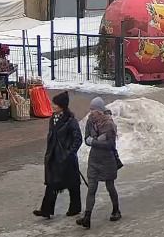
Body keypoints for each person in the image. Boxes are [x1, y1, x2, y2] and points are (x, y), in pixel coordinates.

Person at [34, 91, 81, 220]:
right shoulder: (53, 118)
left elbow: (78, 139)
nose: (52, 105)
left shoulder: (70, 121)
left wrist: (70, 153)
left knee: (73, 184)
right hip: (54, 157)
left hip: (66, 158)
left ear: (61, 106)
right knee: (52, 183)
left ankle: (75, 208)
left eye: (54, 104)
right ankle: (46, 210)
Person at [77, 97, 120, 229]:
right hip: (94, 159)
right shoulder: (90, 121)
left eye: (93, 110)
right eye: (90, 109)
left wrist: (94, 141)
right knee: (91, 188)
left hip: (107, 159)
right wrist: (96, 140)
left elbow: (110, 144)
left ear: (100, 111)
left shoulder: (109, 124)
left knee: (110, 186)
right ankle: (87, 217)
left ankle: (116, 210)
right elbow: (86, 139)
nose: (91, 112)